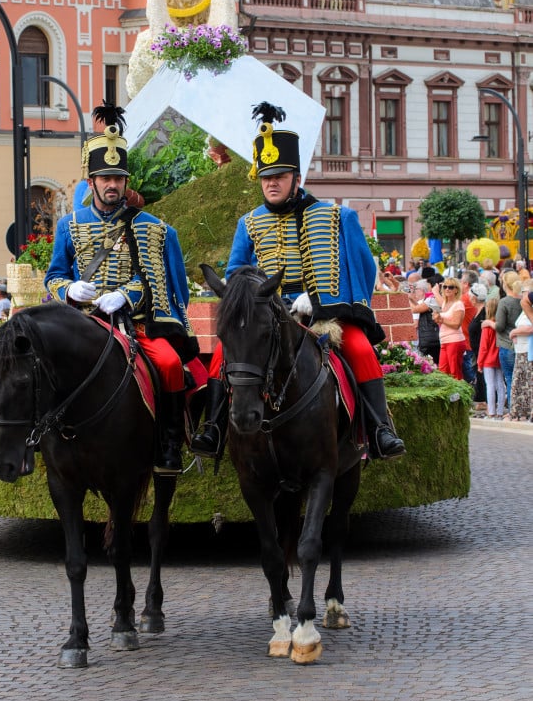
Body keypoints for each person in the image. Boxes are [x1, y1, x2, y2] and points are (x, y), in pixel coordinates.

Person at [191, 102, 405, 462]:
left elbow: (363, 271)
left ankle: (380, 429)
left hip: (324, 315)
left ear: (297, 178)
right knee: (223, 357)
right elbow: (236, 273)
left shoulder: (338, 217)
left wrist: (319, 300)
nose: (271, 183)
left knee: (360, 349)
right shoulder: (249, 223)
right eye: (265, 177)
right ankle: (212, 428)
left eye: (280, 176)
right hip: (268, 314)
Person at [44, 101, 202, 474]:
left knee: (168, 364)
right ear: (92, 182)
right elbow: (52, 277)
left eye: (118, 179)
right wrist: (69, 290)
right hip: (84, 321)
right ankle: (45, 442)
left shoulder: (152, 227)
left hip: (137, 322)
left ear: (126, 182)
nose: (112, 185)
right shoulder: (69, 225)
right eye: (105, 179)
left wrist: (127, 295)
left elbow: (157, 278)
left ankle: (168, 446)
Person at [494, 272, 523, 412]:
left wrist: (488, 323)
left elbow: (499, 326)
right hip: (522, 344)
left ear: (505, 284)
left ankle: (513, 410)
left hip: (506, 343)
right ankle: (522, 408)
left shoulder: (504, 302)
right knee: (522, 379)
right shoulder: (523, 300)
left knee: (510, 379)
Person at [507, 283, 533, 421]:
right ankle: (521, 413)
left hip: (525, 348)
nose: (523, 293)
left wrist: (515, 332)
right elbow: (525, 301)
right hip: (524, 350)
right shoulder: (527, 303)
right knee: (523, 383)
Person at [432, 277, 465, 379]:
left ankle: (459, 394)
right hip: (444, 340)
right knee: (443, 371)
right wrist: (437, 318)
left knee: (454, 371)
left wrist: (441, 319)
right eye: (445, 287)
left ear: (456, 290)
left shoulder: (458, 304)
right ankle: (449, 394)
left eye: (450, 287)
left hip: (454, 341)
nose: (447, 289)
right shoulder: (445, 303)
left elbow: (456, 324)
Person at [478, 298, 506, 419]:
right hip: (499, 358)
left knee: (490, 385)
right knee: (500, 384)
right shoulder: (500, 326)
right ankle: (500, 411)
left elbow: (483, 347)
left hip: (488, 360)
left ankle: (491, 411)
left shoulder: (486, 326)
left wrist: (480, 362)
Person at [409, 278, 440, 364]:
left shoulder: (432, 298)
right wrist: (411, 299)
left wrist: (407, 298)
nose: (414, 291)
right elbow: (419, 307)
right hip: (429, 337)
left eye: (416, 289)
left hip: (429, 338)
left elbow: (415, 309)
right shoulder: (430, 298)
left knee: (432, 364)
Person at [468, 282, 488, 412]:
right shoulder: (478, 312)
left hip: (481, 349)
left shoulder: (483, 313)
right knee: (479, 374)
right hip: (476, 349)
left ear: (474, 298)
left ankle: (485, 400)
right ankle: (481, 399)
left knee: (483, 375)